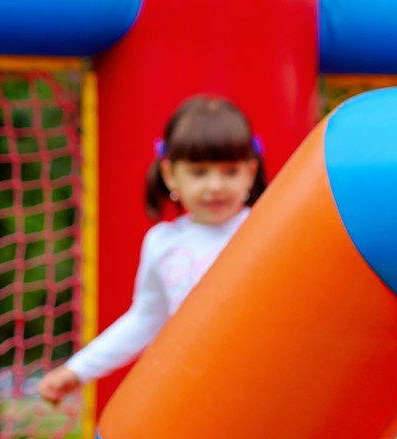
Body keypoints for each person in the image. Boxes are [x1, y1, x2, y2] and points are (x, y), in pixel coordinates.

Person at [39, 95, 266, 404]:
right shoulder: (163, 242)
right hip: (191, 391)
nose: (215, 185)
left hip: (260, 388)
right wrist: (78, 370)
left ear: (250, 173)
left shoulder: (265, 229)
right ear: (171, 173)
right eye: (199, 172)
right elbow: (146, 318)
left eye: (230, 171)